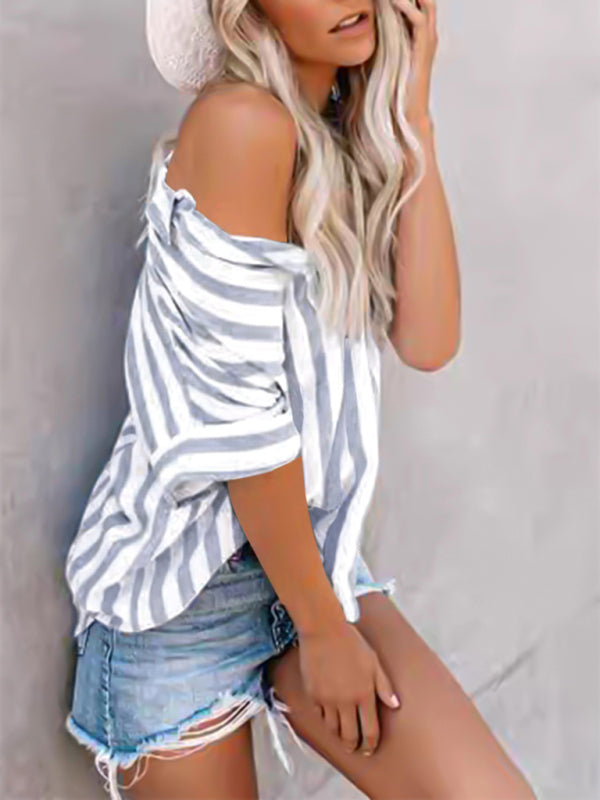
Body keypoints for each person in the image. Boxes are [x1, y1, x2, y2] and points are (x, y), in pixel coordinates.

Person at [63, 2, 537, 799]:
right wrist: (321, 626)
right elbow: (240, 424)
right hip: (183, 603)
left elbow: (429, 340)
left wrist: (413, 116)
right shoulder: (241, 126)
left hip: (310, 564)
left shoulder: (341, 135)